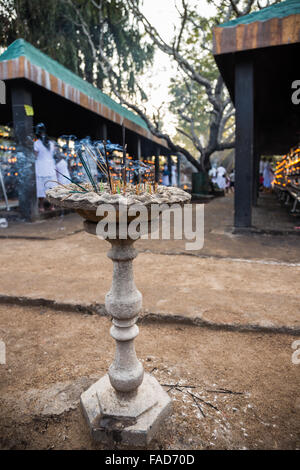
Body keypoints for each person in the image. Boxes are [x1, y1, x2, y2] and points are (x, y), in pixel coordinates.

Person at [34, 123, 56, 212]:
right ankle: (52, 206)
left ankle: (41, 207)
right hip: (50, 167)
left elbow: (35, 156)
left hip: (41, 167)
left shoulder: (36, 143)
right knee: (52, 187)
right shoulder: (51, 143)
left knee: (41, 187)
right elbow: (53, 155)